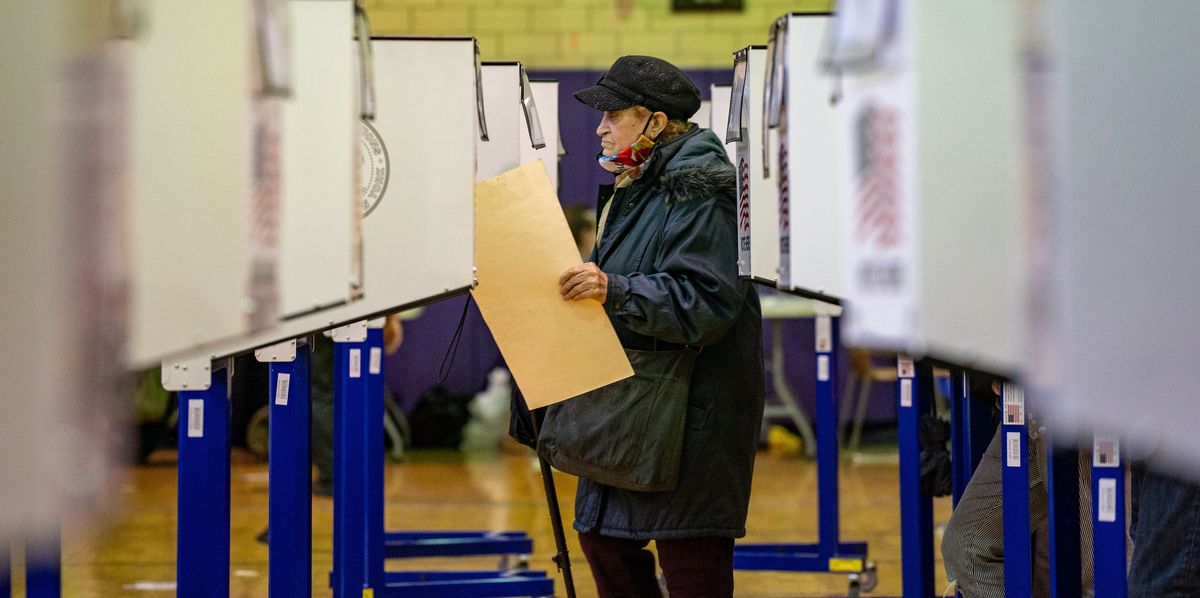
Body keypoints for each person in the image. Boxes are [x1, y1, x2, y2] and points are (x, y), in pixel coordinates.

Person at [557, 55, 764, 598]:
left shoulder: (702, 189)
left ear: (652, 121)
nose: (600, 127)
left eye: (612, 115)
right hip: (633, 407)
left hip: (691, 415)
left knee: (690, 557)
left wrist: (613, 289)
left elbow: (708, 299)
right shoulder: (639, 185)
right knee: (603, 539)